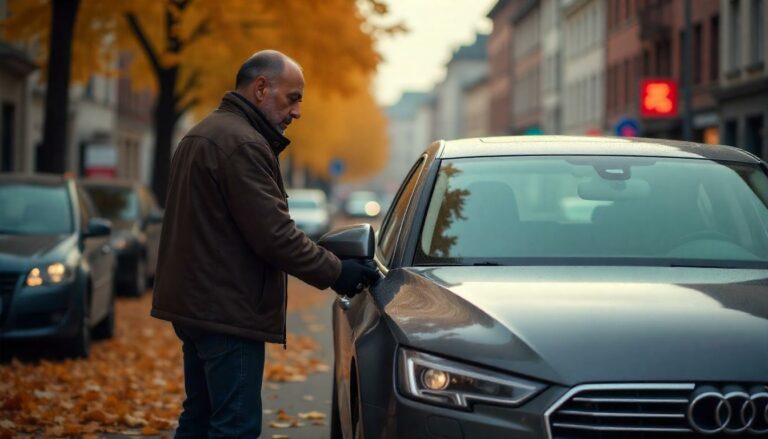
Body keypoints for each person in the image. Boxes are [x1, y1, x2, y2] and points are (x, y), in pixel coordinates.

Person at [151, 50, 378, 439]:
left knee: (200, 417)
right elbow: (274, 235)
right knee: (234, 426)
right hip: (227, 310)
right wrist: (337, 272)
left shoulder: (203, 132)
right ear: (261, 88)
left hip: (195, 305)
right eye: (293, 98)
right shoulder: (243, 144)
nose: (297, 112)